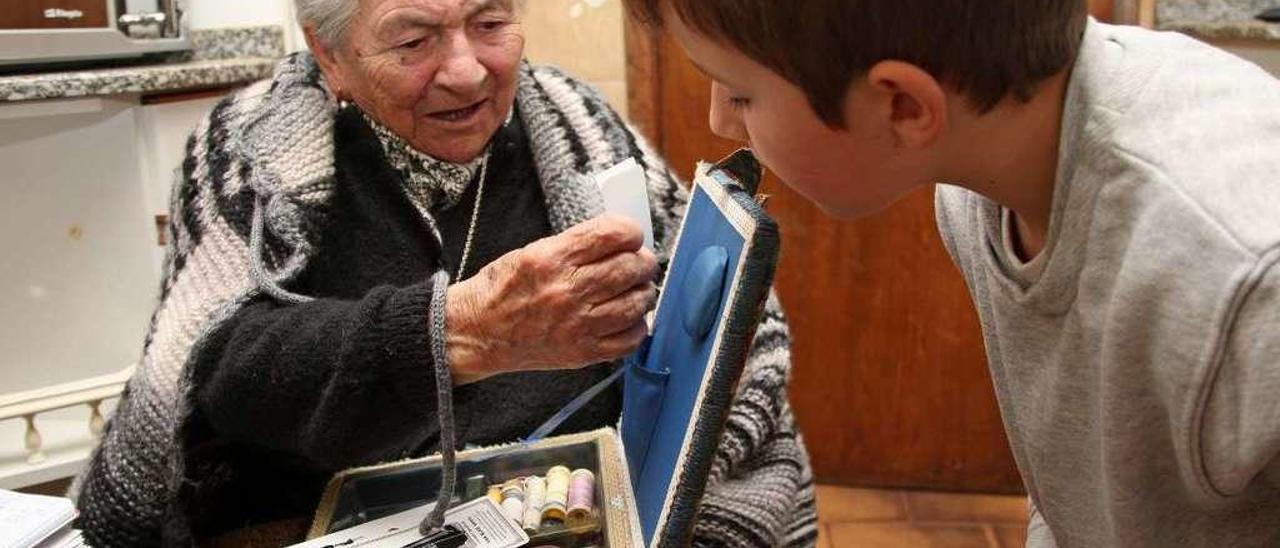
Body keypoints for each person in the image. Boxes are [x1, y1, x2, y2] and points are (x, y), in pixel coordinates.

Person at [70, 1, 817, 545]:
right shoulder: (252, 151)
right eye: (413, 39)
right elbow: (219, 373)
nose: (466, 70)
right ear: (328, 54)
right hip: (331, 514)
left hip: (572, 505)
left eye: (491, 23)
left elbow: (717, 321)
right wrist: (461, 333)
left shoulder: (575, 121)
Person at [623, 0, 1280, 546]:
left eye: (740, 93)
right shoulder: (978, 187)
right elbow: (1081, 496)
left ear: (904, 107)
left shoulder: (1238, 273)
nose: (717, 118)